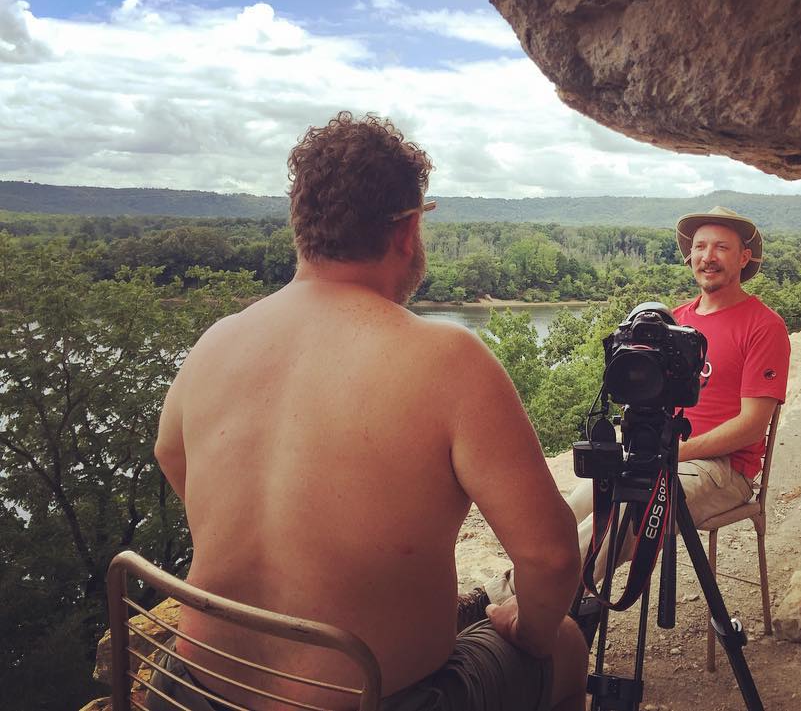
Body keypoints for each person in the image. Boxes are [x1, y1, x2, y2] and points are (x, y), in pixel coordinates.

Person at [151, 112, 586, 711]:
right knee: (561, 643)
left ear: (302, 227)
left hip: (191, 693)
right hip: (374, 699)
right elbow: (552, 556)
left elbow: (169, 454)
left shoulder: (219, 339)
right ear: (407, 229)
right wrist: (525, 630)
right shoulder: (446, 357)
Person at [470, 205, 790, 617]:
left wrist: (678, 451)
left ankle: (524, 609)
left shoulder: (763, 326)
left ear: (743, 258)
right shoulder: (676, 322)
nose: (708, 256)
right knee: (570, 508)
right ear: (690, 256)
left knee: (626, 510)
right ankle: (506, 596)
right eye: (700, 247)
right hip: (655, 454)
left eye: (722, 247)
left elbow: (751, 427)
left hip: (721, 469)